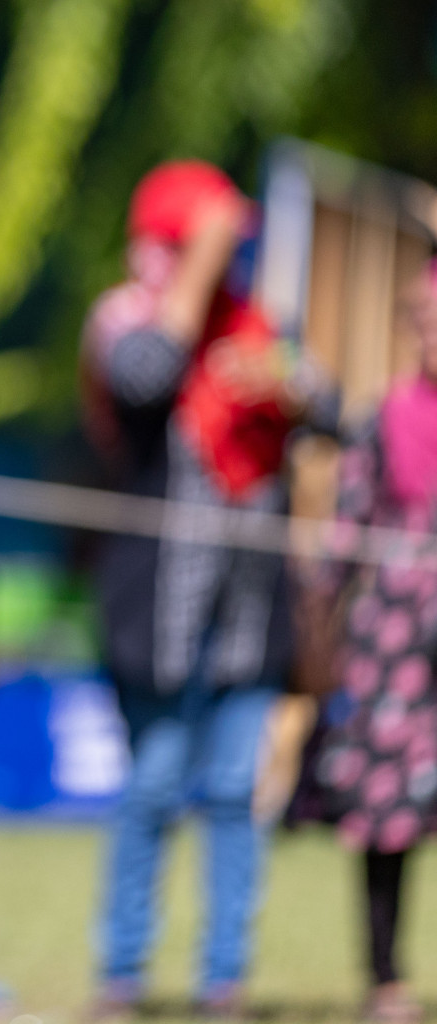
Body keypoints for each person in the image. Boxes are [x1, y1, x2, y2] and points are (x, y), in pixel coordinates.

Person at [81, 161, 341, 1018]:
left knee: (236, 792)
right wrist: (199, 264)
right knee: (154, 785)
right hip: (158, 615)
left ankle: (223, 978)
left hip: (249, 618)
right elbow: (146, 378)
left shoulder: (260, 326)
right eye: (214, 241)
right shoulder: (124, 317)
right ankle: (122, 973)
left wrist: (289, 384)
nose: (230, 256)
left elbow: (334, 405)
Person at [307, 261, 437, 1024]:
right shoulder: (384, 418)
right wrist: (318, 619)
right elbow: (341, 535)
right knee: (389, 819)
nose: (429, 329)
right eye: (419, 315)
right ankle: (386, 975)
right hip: (396, 644)